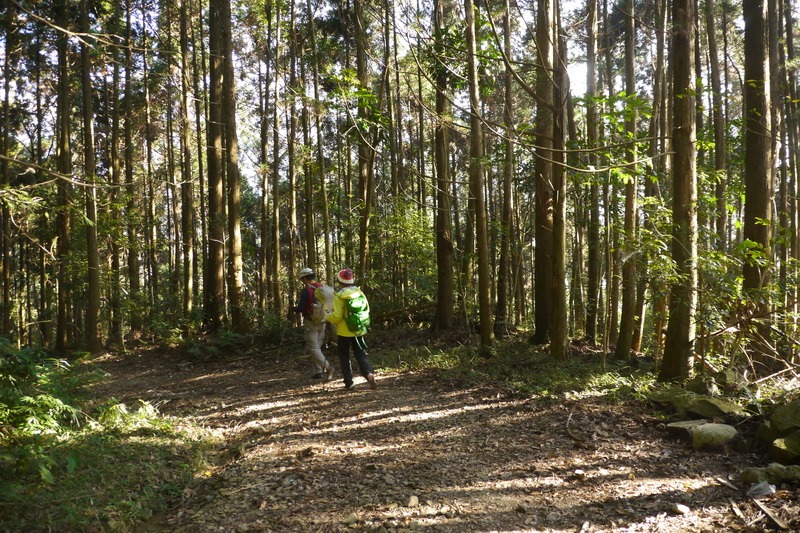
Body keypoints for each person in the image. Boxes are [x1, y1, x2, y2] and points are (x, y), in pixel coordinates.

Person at [326, 268, 377, 390]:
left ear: (340, 282)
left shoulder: (339, 296)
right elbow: (367, 310)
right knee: (360, 353)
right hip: (359, 329)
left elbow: (337, 316)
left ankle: (349, 382)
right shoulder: (360, 293)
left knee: (344, 355)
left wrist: (328, 317)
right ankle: (368, 374)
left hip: (344, 331)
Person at [290, 267, 334, 381]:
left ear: (305, 278)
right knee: (317, 347)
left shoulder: (307, 291)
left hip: (311, 322)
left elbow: (301, 308)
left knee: (313, 348)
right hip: (323, 320)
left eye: (302, 279)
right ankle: (317, 372)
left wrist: (293, 309)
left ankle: (327, 367)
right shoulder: (323, 288)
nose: (302, 281)